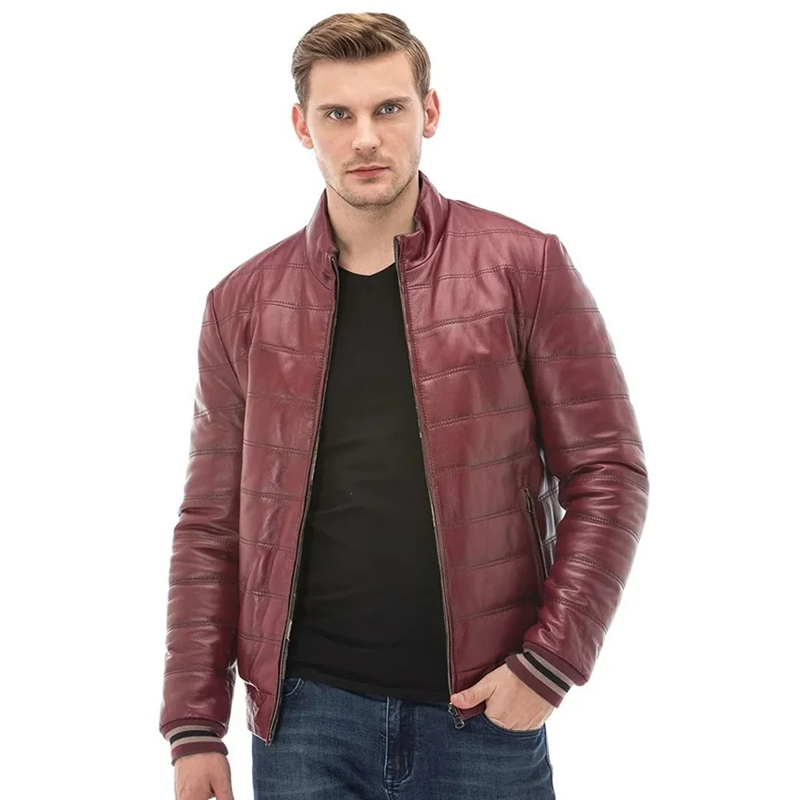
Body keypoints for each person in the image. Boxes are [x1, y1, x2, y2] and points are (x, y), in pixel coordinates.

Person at [159, 12, 649, 800]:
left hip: (483, 713)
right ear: (301, 126)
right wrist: (194, 726)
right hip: (305, 723)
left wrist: (550, 664)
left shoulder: (524, 267)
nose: (364, 139)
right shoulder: (243, 303)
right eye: (337, 114)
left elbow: (608, 473)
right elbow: (211, 524)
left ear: (430, 112)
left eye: (388, 108)